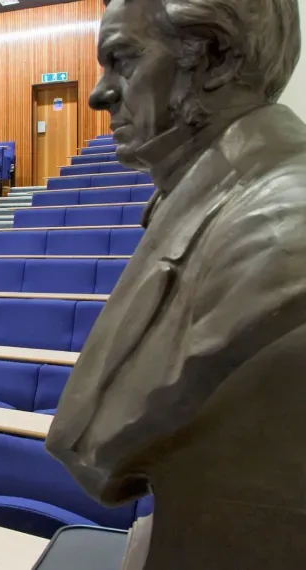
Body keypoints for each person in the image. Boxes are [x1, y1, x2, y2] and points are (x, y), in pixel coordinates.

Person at [45, 0, 306, 567]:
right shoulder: (213, 197)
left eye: (123, 61)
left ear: (212, 58)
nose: (99, 94)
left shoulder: (281, 236)